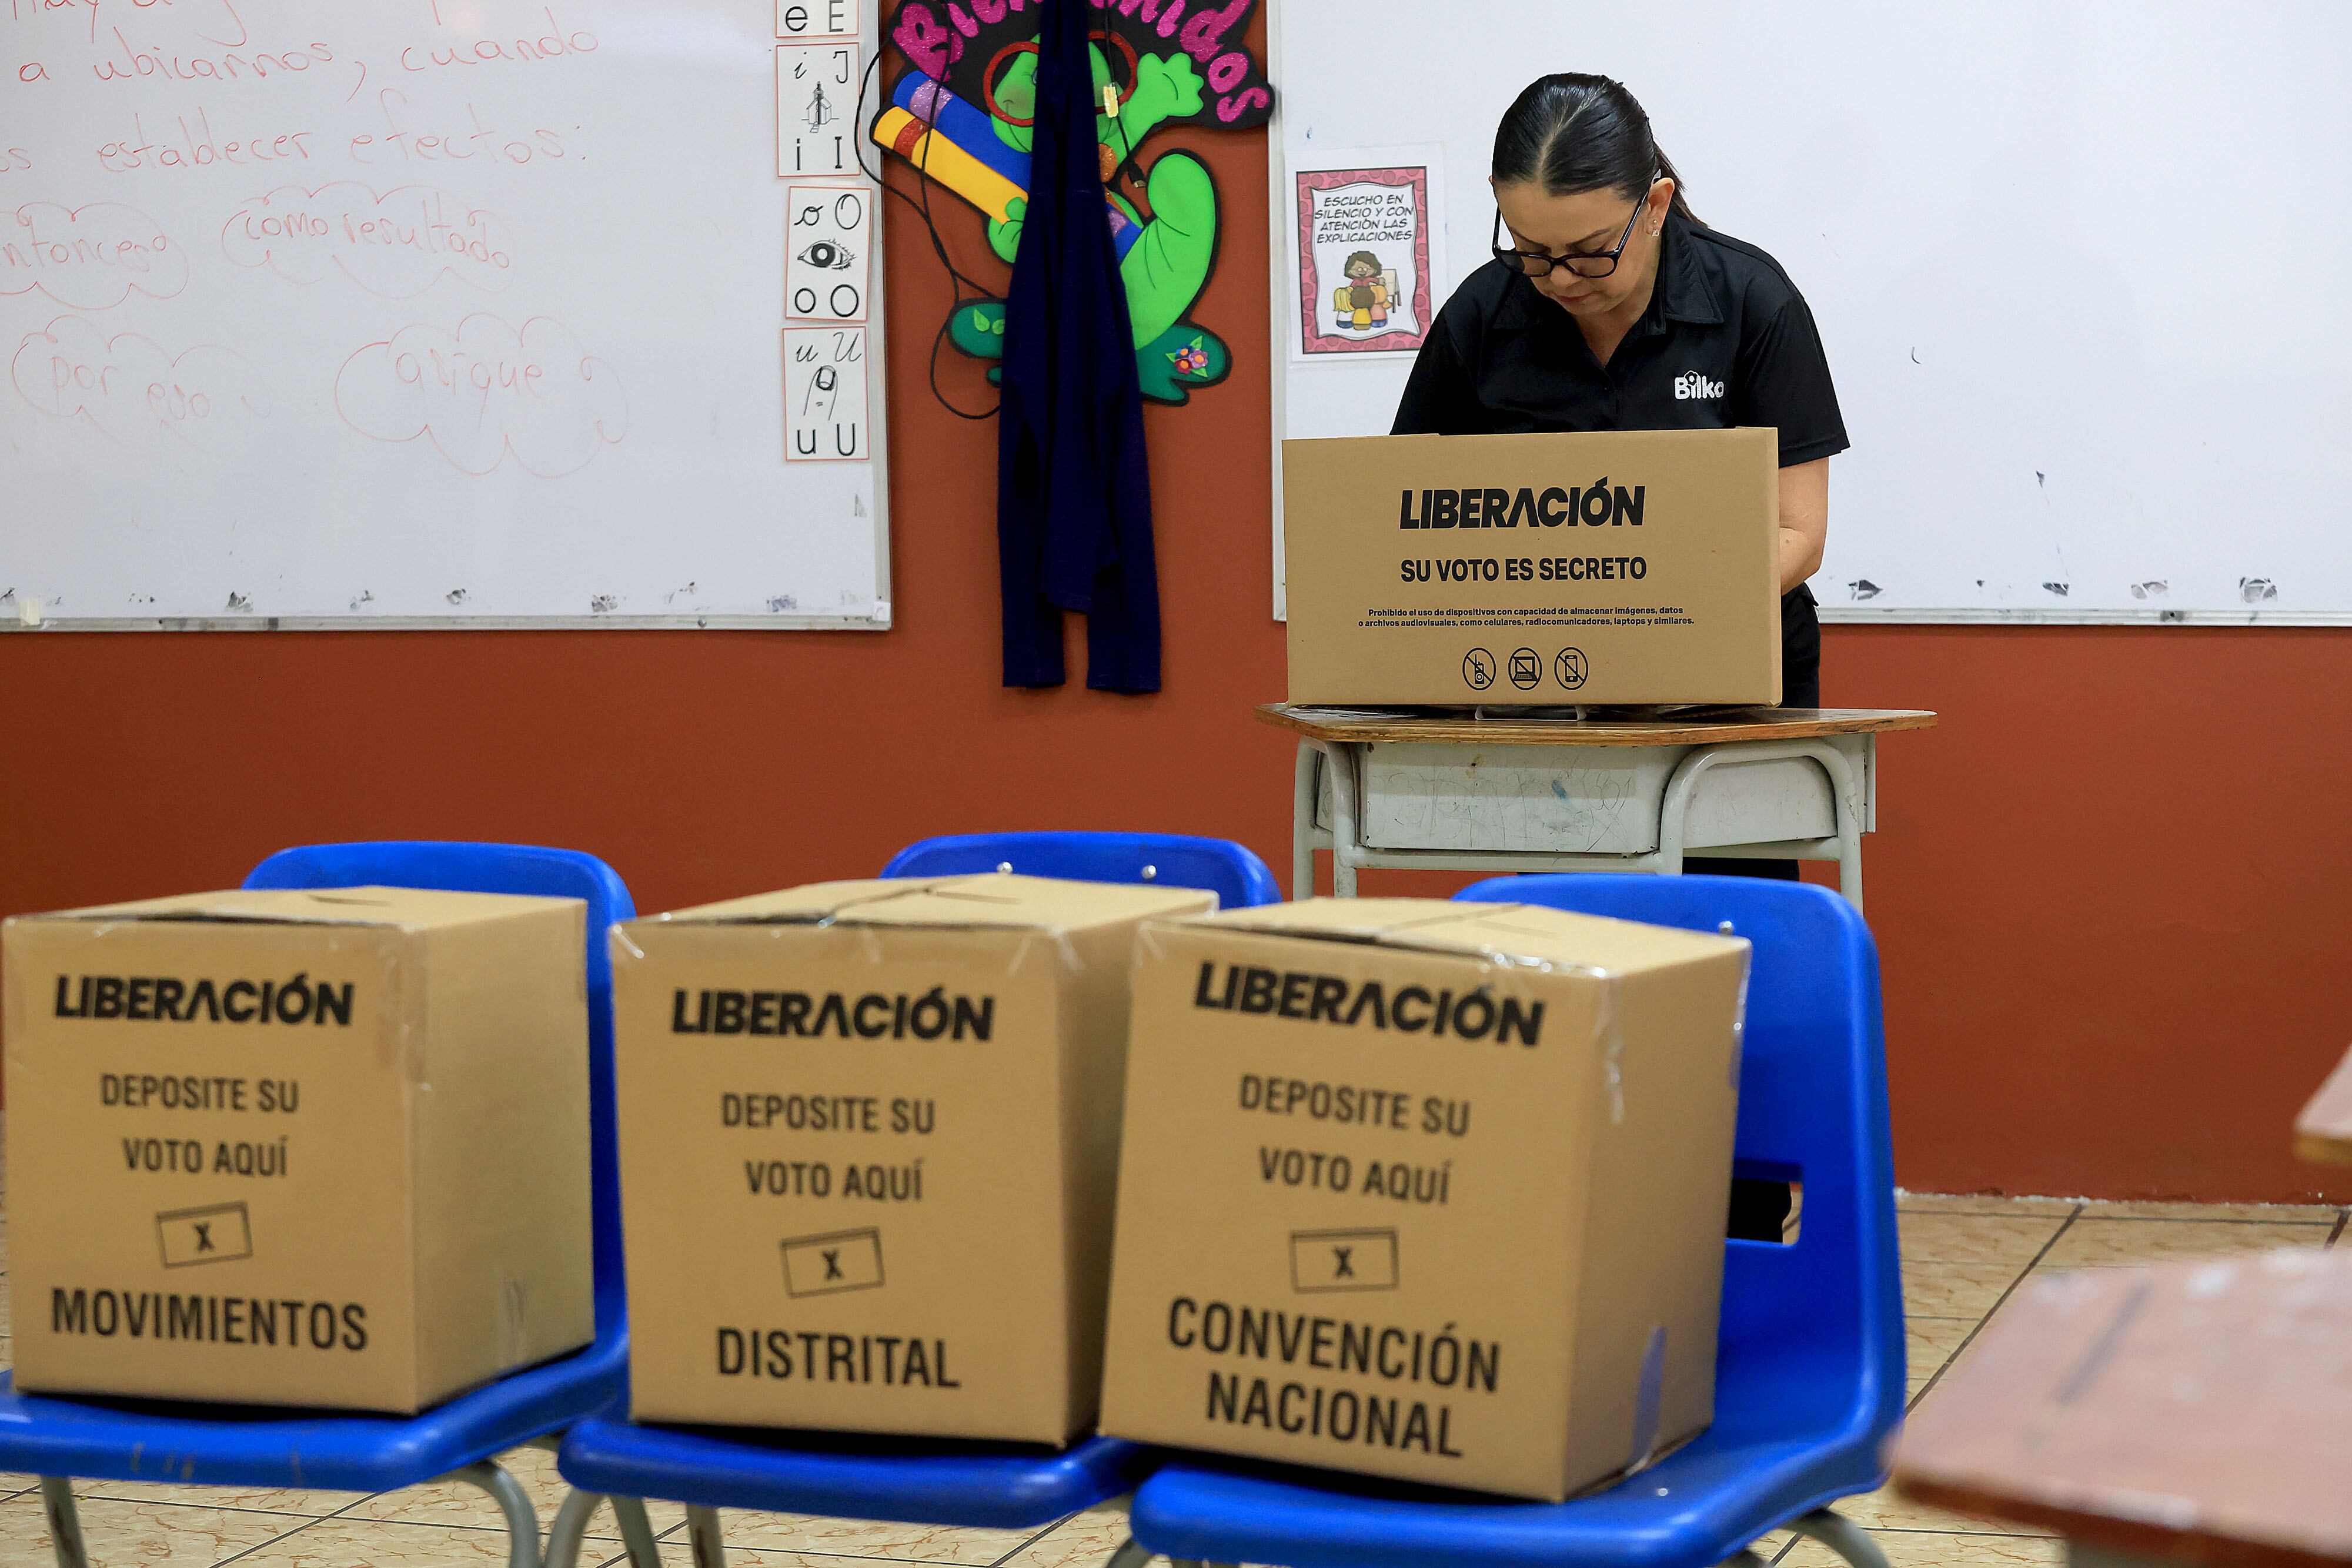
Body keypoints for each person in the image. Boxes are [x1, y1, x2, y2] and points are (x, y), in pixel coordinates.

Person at [1395, 73, 1846, 1239]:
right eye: (1528, 249)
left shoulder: (1750, 301)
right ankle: (1542, 1221)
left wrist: (1643, 595)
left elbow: (1795, 534)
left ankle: (1728, 1231)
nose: (1553, 279)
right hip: (1537, 712)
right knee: (1555, 959)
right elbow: (1402, 512)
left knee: (1720, 970)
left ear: (1656, 202)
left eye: (1584, 251)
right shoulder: (1482, 316)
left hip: (1726, 705)